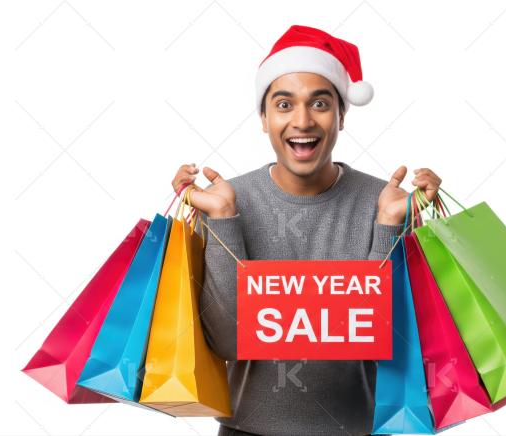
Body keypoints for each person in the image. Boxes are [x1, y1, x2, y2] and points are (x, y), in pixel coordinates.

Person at [171, 25, 443, 436]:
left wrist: (390, 226)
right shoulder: (225, 200)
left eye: (320, 103)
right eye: (284, 104)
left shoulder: (385, 202)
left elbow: (388, 345)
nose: (302, 121)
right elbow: (228, 342)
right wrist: (224, 218)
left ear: (342, 116)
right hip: (246, 431)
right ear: (264, 119)